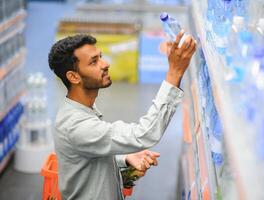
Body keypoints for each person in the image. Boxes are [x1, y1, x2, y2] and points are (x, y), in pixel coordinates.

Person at [48, 30, 196, 200]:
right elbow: (144, 134)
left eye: (100, 56)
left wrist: (124, 158)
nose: (105, 64)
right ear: (73, 76)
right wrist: (174, 73)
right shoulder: (76, 125)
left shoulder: (82, 108)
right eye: (94, 62)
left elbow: (89, 158)